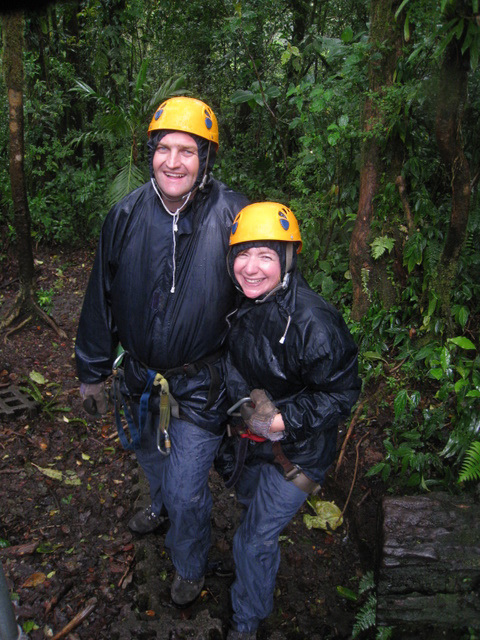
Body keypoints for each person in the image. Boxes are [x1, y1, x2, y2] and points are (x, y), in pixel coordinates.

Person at [75, 96, 249, 607]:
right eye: (164, 149)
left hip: (201, 384)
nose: (173, 162)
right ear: (151, 152)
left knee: (188, 488)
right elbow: (99, 298)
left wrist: (263, 382)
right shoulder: (125, 215)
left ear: (206, 159)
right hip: (140, 378)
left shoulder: (233, 214)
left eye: (187, 151)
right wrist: (92, 369)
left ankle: (190, 563)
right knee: (151, 458)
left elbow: (265, 296)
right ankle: (159, 505)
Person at [217, 202, 361, 640]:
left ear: (288, 259)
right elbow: (233, 360)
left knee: (256, 537)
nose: (252, 267)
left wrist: (283, 420)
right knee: (248, 515)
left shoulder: (313, 323)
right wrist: (245, 405)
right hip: (253, 442)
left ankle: (247, 621)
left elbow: (342, 393)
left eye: (266, 255)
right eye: (243, 254)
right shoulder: (241, 303)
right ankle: (250, 573)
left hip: (298, 452)